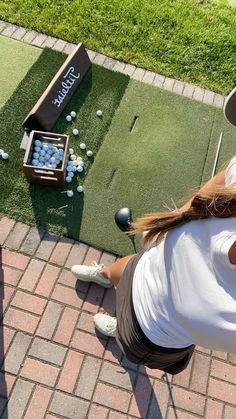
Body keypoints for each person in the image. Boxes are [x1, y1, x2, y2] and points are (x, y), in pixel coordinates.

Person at [71, 155, 236, 375]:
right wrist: (177, 217)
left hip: (150, 335)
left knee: (128, 339)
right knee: (115, 269)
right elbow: (226, 177)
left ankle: (120, 329)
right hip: (143, 269)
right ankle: (103, 274)